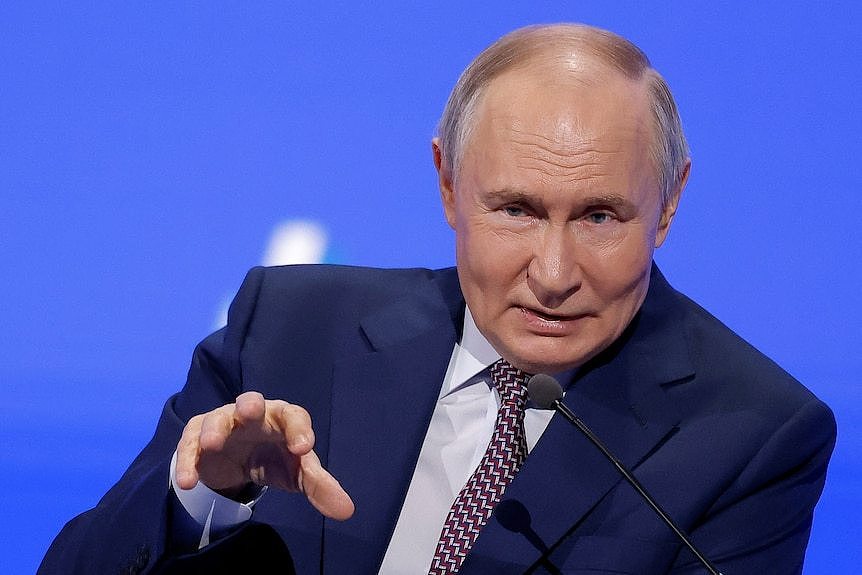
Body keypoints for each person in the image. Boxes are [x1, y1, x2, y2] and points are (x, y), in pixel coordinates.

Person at [40, 23, 836, 574]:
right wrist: (202, 496)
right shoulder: (287, 330)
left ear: (668, 204)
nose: (554, 272)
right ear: (449, 184)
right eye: (516, 210)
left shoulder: (754, 434)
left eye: (600, 216)